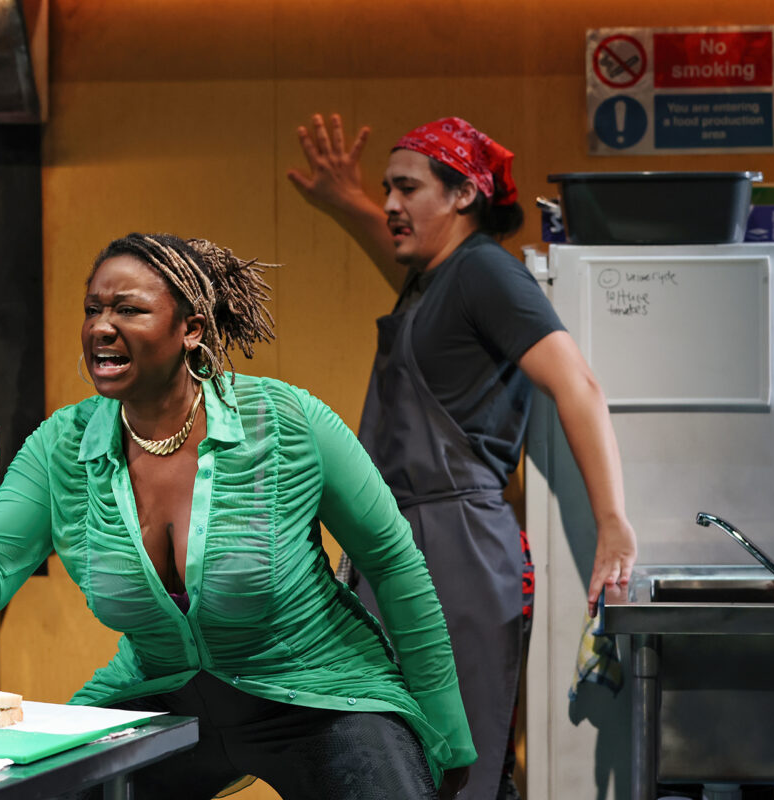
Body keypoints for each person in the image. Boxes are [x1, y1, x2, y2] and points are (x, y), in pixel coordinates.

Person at [0, 232, 477, 799]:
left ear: (190, 329)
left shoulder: (288, 421)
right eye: (93, 309)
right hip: (160, 695)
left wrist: (448, 734)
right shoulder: (61, 448)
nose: (100, 327)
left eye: (128, 310)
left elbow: (393, 563)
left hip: (321, 696)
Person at [287, 115, 638, 799]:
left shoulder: (484, 273)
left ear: (463, 196)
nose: (389, 204)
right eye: (386, 189)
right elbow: (389, 239)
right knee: (387, 755)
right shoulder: (431, 278)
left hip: (459, 549)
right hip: (403, 542)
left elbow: (578, 384)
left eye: (407, 188)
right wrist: (344, 200)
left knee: (458, 768)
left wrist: (613, 520)